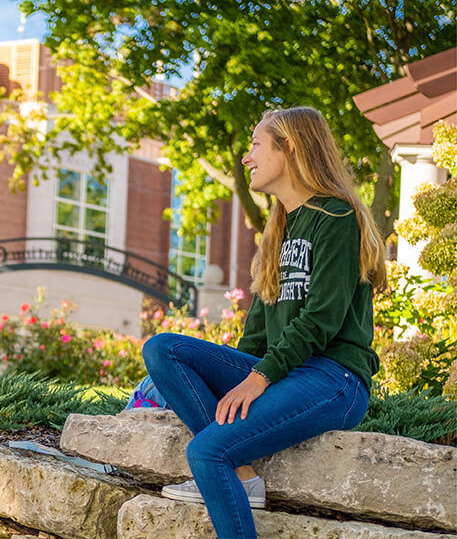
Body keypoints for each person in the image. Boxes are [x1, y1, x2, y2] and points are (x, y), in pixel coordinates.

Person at [142, 107, 387, 539]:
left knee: (206, 452)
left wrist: (258, 379)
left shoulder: (336, 217)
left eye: (256, 145)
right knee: (162, 349)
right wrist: (243, 375)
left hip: (335, 377)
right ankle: (244, 475)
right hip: (289, 371)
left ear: (289, 147)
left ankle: (230, 470)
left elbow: (322, 320)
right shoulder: (277, 230)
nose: (246, 157)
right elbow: (255, 338)